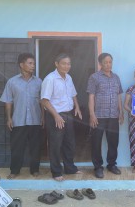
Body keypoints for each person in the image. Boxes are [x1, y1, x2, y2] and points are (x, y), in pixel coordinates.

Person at [0, 53, 43, 179]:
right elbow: (8, 102)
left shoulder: (38, 82)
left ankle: (35, 170)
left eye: (33, 63)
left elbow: (42, 101)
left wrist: (43, 117)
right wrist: (9, 118)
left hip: (35, 120)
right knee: (17, 147)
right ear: (21, 65)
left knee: (35, 147)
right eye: (30, 63)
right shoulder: (12, 82)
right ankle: (14, 170)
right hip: (18, 120)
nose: (33, 66)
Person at [41, 53, 82, 181]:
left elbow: (73, 94)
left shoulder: (68, 78)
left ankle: (70, 168)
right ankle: (56, 172)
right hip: (55, 116)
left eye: (68, 63)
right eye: (63, 63)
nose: (66, 66)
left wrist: (77, 107)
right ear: (56, 64)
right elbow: (44, 101)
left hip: (68, 114)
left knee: (70, 143)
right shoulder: (50, 79)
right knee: (55, 144)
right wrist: (56, 116)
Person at [87, 53, 124, 178]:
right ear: (100, 63)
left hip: (113, 115)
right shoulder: (94, 77)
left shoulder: (116, 78)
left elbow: (118, 95)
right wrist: (92, 114)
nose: (108, 64)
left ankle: (111, 164)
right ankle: (98, 167)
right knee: (96, 142)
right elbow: (91, 96)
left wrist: (121, 112)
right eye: (105, 62)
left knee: (113, 142)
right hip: (99, 116)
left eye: (110, 62)